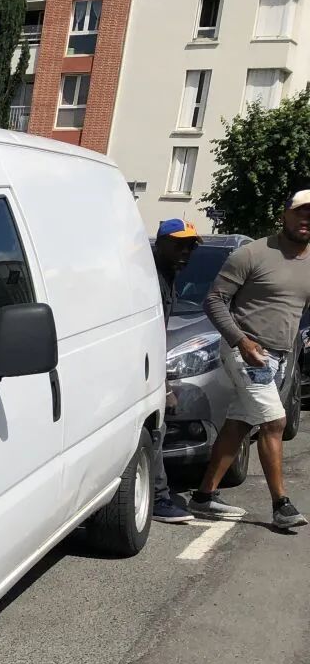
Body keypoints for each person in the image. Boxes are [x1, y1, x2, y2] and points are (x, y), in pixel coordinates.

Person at [190, 192, 310, 529]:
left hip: (282, 356)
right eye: (301, 212)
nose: (306, 220)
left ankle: (204, 496)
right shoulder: (252, 253)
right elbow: (214, 301)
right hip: (247, 352)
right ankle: (281, 506)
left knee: (240, 422)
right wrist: (241, 341)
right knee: (274, 422)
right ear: (285, 214)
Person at [150, 219, 200, 523]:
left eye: (191, 246)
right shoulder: (151, 278)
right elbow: (151, 334)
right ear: (160, 243)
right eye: (179, 244)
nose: (186, 251)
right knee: (154, 430)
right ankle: (157, 498)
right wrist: (165, 385)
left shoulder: (168, 275)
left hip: (150, 365)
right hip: (142, 368)